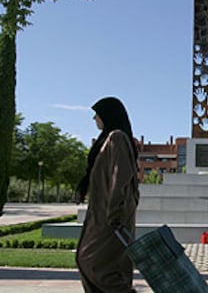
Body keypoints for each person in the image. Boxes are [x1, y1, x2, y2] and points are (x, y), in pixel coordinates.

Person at [76, 97, 140, 293]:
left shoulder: (117, 138)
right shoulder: (108, 138)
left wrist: (114, 213)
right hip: (101, 213)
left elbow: (119, 177)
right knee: (93, 262)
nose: (95, 118)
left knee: (95, 262)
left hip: (111, 216)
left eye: (97, 114)